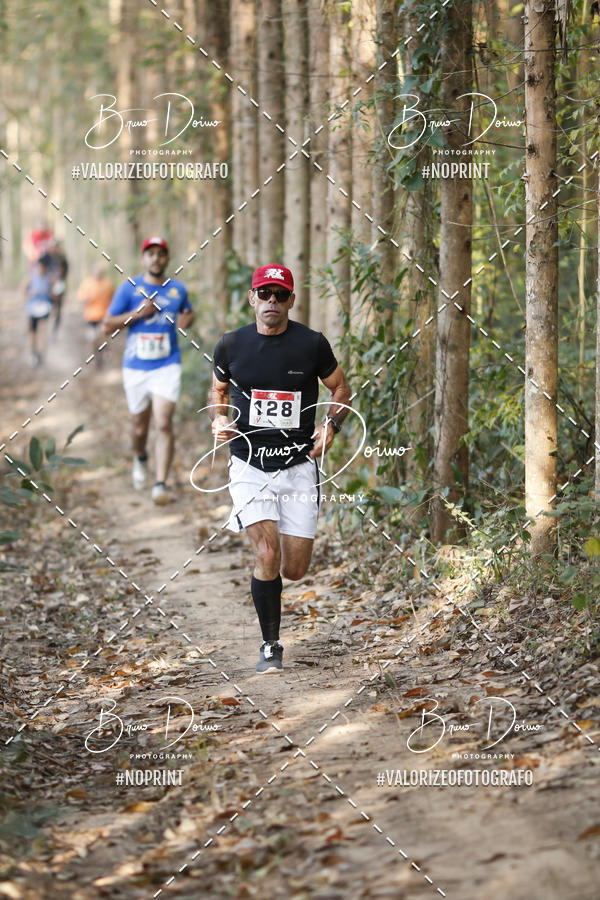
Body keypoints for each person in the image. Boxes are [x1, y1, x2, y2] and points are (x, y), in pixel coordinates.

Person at [210, 264, 351, 674]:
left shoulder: (311, 344)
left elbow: (340, 387)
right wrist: (219, 419)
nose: (272, 301)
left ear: (291, 300)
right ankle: (271, 645)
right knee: (266, 553)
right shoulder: (231, 344)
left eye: (280, 295)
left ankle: (271, 579)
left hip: (299, 464)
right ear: (252, 298)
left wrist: (332, 426)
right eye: (264, 294)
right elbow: (218, 388)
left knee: (295, 568)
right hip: (249, 462)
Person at [103, 236, 194, 505]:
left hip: (167, 365)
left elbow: (188, 313)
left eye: (161, 254)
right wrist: (137, 313)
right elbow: (106, 325)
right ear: (143, 259)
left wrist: (186, 319)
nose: (156, 258)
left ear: (167, 259)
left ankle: (160, 484)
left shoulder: (178, 289)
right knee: (139, 427)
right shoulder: (129, 289)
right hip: (136, 368)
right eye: (151, 253)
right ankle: (141, 456)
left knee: (164, 423)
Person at [78, 266, 115, 367]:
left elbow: (113, 298)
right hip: (90, 317)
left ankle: (105, 354)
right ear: (93, 273)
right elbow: (82, 299)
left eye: (100, 272)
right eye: (96, 272)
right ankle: (95, 358)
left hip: (104, 316)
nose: (98, 274)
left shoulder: (107, 284)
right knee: (92, 339)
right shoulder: (87, 284)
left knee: (103, 336)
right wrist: (88, 299)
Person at [23, 254, 54, 367]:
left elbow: (51, 295)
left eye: (44, 267)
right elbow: (23, 290)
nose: (42, 268)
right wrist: (31, 293)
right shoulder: (31, 277)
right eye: (40, 266)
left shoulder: (49, 279)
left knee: (42, 331)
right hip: (32, 309)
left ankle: (41, 356)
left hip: (44, 308)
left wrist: (52, 306)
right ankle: (33, 354)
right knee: (33, 334)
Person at [49, 242, 69, 332]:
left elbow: (65, 272)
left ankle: (55, 328)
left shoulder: (63, 259)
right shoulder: (50, 258)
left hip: (59, 284)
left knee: (58, 307)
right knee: (51, 306)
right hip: (50, 285)